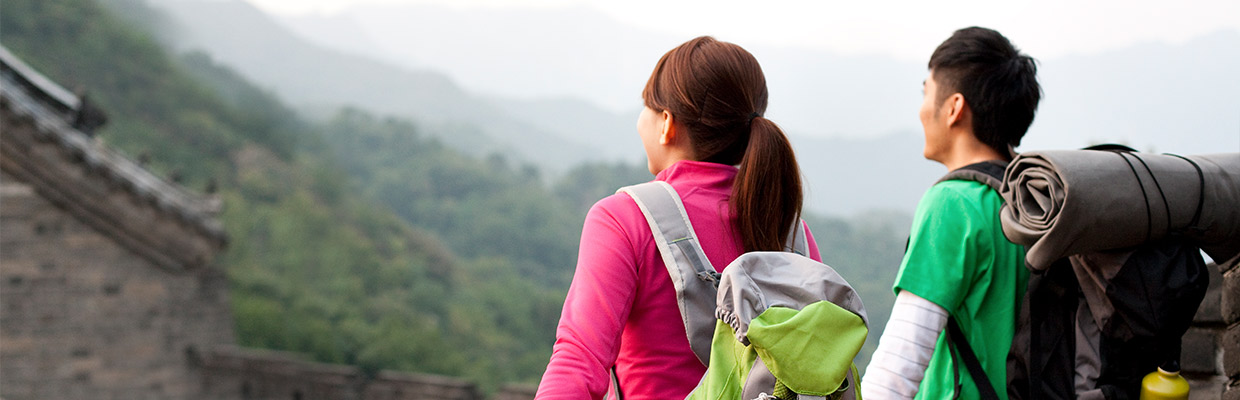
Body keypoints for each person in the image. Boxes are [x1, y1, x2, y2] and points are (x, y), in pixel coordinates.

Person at [534, 36, 822, 399]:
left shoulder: (625, 219)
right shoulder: (791, 232)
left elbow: (579, 360)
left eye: (647, 107)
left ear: (667, 123)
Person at [860, 27, 1041, 399]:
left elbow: (900, 361)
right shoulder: (1036, 196)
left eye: (926, 92)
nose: (922, 108)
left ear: (954, 107)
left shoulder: (953, 204)